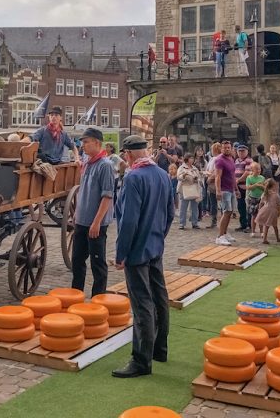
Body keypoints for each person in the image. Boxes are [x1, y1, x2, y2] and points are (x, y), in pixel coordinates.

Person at [112, 135, 174, 379]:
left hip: (137, 250)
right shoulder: (161, 174)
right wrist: (159, 237)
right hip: (155, 246)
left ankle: (141, 360)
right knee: (160, 297)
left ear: (128, 154)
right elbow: (170, 212)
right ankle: (160, 349)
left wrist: (121, 254)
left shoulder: (133, 177)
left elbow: (128, 221)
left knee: (142, 304)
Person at [71, 128, 114, 296]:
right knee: (77, 261)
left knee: (98, 263)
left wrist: (96, 222)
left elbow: (107, 196)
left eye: (86, 142)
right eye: (82, 143)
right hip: (82, 221)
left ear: (97, 142)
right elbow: (83, 190)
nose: (83, 146)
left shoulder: (105, 165)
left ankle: (98, 299)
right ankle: (75, 295)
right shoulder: (88, 163)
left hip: (96, 224)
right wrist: (77, 212)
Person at [214, 141, 238, 245]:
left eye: (229, 147)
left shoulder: (231, 158)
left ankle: (225, 232)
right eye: (225, 148)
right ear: (221, 149)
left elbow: (233, 175)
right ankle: (220, 236)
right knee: (226, 212)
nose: (227, 149)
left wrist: (236, 189)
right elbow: (217, 176)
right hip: (224, 189)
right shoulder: (219, 160)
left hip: (231, 188)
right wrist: (218, 190)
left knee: (230, 212)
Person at [177, 154, 201, 230]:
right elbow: (178, 177)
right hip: (184, 189)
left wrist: (196, 179)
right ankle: (182, 223)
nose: (192, 160)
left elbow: (199, 178)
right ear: (187, 159)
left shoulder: (194, 168)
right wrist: (184, 176)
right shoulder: (182, 167)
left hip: (193, 188)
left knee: (195, 207)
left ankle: (195, 223)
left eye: (193, 158)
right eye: (191, 158)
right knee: (183, 207)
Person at [256, 178, 280, 244]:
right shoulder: (275, 195)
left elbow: (261, 203)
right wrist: (279, 211)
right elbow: (278, 205)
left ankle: (265, 239)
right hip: (273, 211)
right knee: (275, 225)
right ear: (273, 186)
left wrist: (259, 210)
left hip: (266, 210)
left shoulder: (265, 193)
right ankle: (277, 238)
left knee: (266, 225)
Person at [234, 145, 253, 232]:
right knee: (240, 205)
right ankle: (243, 224)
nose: (241, 153)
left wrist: (238, 180)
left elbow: (247, 172)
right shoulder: (236, 160)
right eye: (239, 151)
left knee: (248, 206)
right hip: (238, 186)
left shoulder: (248, 160)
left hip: (246, 185)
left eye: (243, 151)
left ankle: (249, 225)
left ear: (247, 151)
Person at [203, 142, 221, 228]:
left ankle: (217, 221)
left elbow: (216, 171)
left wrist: (211, 177)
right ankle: (213, 220)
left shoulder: (218, 158)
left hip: (215, 182)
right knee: (212, 202)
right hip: (209, 181)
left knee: (216, 203)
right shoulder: (212, 159)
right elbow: (208, 169)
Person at [245, 162, 266, 236]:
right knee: (253, 215)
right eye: (256, 169)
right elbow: (248, 187)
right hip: (252, 198)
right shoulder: (249, 178)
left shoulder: (262, 178)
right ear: (252, 170)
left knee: (261, 215)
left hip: (261, 198)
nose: (258, 170)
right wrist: (256, 185)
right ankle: (253, 231)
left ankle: (261, 231)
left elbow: (265, 188)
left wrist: (261, 187)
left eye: (259, 169)